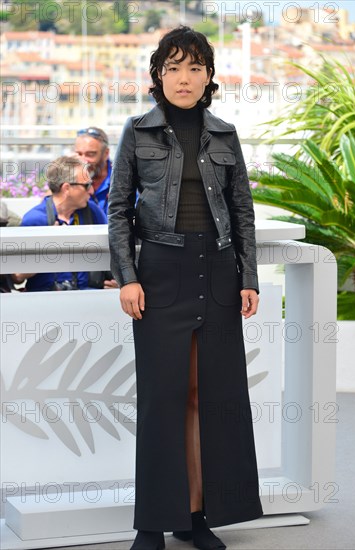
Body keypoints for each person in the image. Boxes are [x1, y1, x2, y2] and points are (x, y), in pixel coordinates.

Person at [108, 26, 263, 550]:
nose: (184, 77)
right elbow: (118, 212)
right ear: (158, 75)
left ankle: (196, 517)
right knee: (162, 400)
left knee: (210, 399)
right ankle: (152, 523)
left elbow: (243, 212)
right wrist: (127, 278)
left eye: (195, 67)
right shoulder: (138, 131)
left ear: (209, 76)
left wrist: (249, 278)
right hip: (160, 274)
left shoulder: (225, 134)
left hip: (218, 274)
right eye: (173, 67)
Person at [13, 156, 109, 292]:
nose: (91, 191)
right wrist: (50, 247)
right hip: (45, 299)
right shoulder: (35, 220)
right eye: (86, 185)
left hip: (89, 297)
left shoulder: (92, 211)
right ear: (66, 188)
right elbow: (17, 276)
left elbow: (113, 251)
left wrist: (118, 283)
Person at [74, 126, 112, 215]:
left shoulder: (123, 180)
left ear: (106, 153)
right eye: (79, 154)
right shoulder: (69, 181)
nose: (83, 160)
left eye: (90, 154)